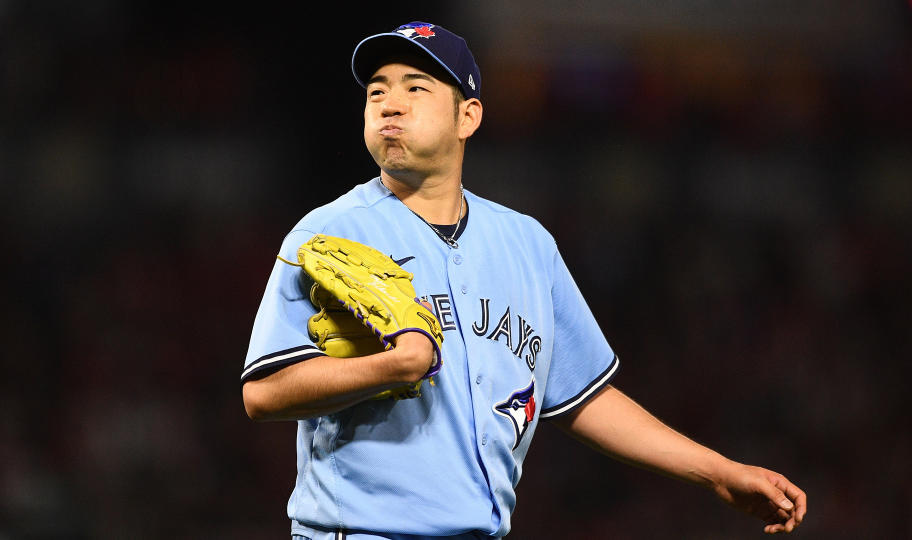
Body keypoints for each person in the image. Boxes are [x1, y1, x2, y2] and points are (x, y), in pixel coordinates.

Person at [241, 21, 807, 539]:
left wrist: (718, 473)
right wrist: (391, 365)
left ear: (468, 116)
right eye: (377, 91)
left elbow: (584, 397)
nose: (390, 103)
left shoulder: (527, 244)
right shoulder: (327, 234)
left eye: (416, 88)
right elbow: (261, 394)